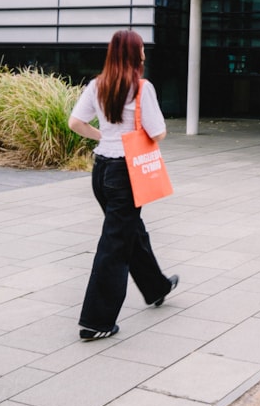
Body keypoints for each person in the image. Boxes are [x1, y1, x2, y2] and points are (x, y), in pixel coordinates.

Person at [68, 30, 178, 340]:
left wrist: (104, 136)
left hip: (101, 171)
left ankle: (156, 286)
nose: (144, 52)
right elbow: (157, 133)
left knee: (129, 229)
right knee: (115, 243)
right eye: (141, 47)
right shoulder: (142, 88)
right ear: (134, 54)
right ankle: (96, 321)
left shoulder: (96, 85)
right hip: (127, 172)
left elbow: (75, 123)